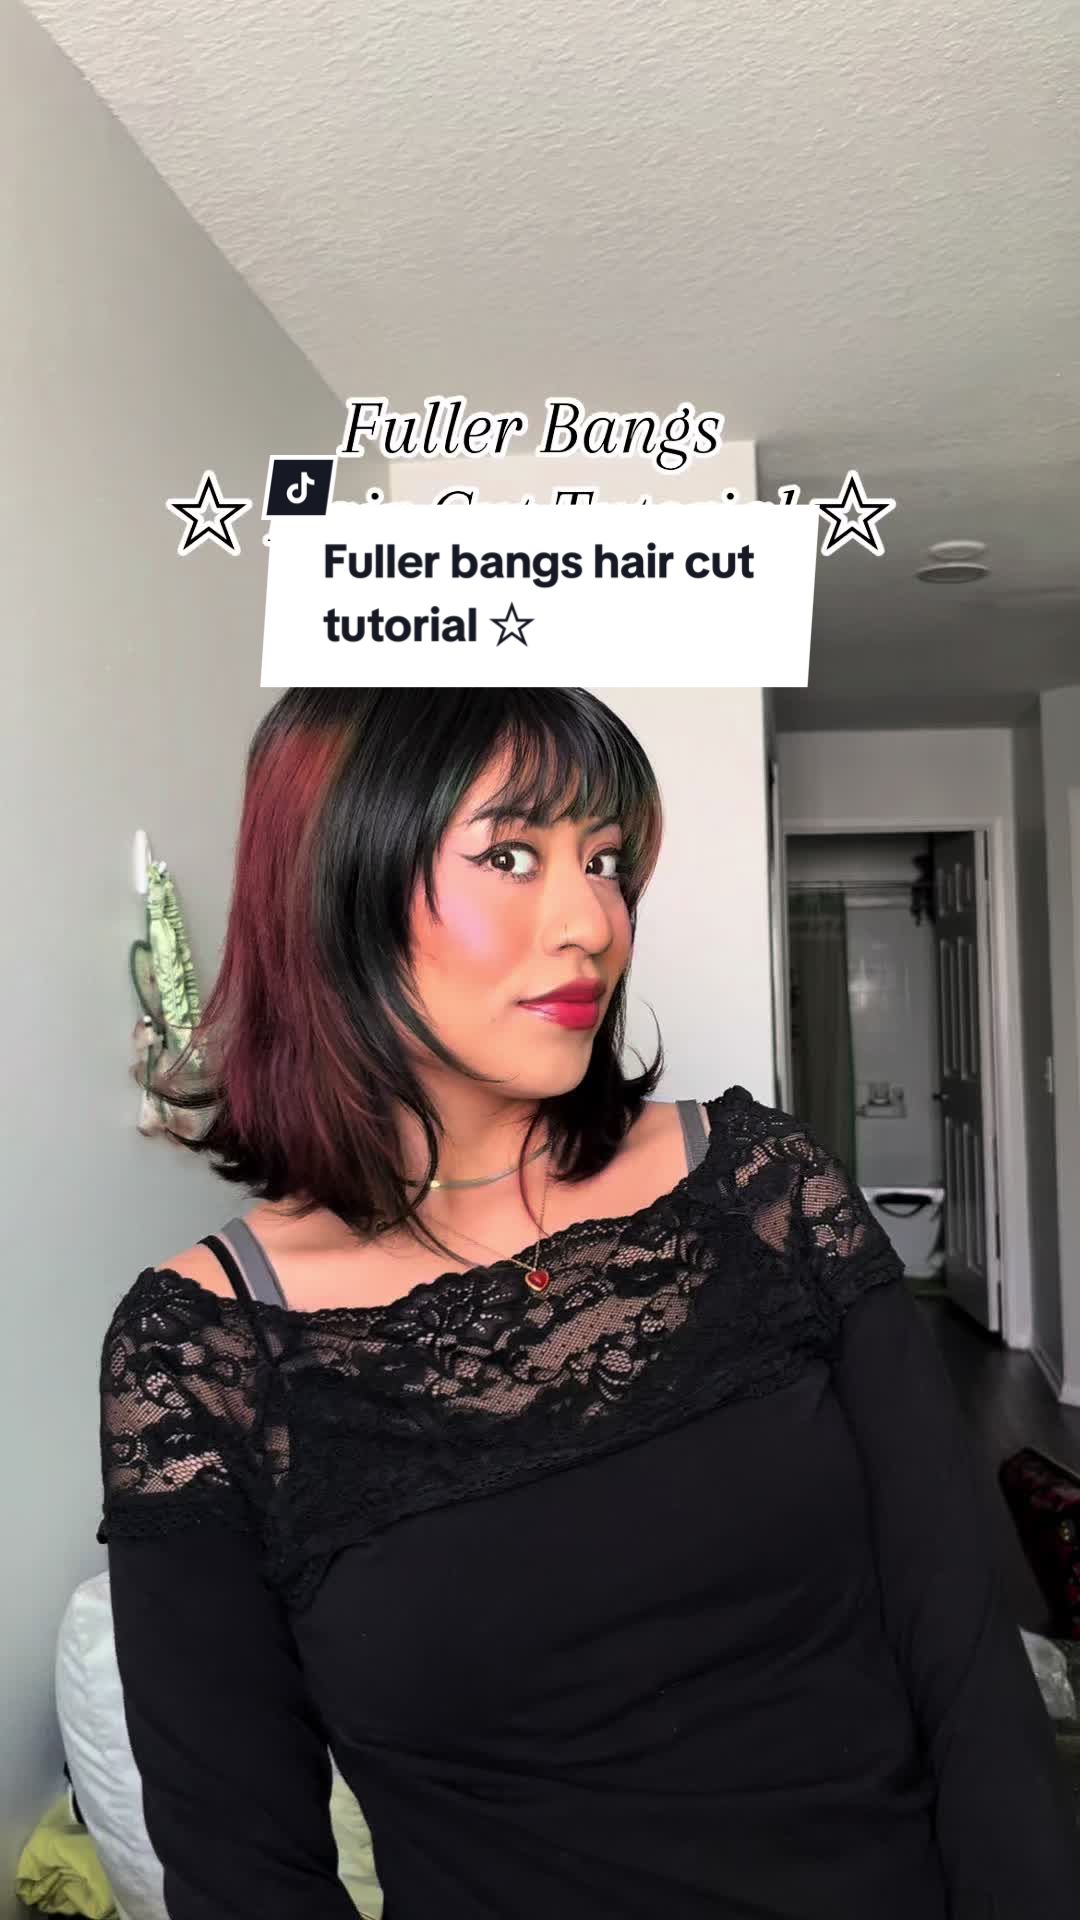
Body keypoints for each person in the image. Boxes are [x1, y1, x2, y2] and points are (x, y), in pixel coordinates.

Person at [98, 688, 1080, 1920]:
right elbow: (246, 1874)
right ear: (335, 883)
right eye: (511, 856)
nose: (593, 923)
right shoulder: (200, 1352)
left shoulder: (761, 1188)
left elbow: (965, 1653)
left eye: (607, 861)